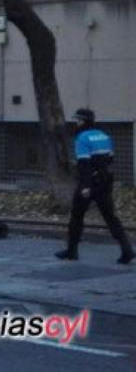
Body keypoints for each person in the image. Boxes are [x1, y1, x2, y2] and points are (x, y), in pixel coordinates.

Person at [56, 108, 134, 264]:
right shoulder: (104, 136)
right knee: (111, 217)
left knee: (77, 216)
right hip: (105, 181)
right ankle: (127, 250)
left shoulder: (82, 138)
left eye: (78, 120)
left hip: (89, 182)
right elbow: (110, 159)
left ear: (84, 121)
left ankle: (72, 251)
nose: (76, 123)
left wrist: (85, 186)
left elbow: (84, 165)